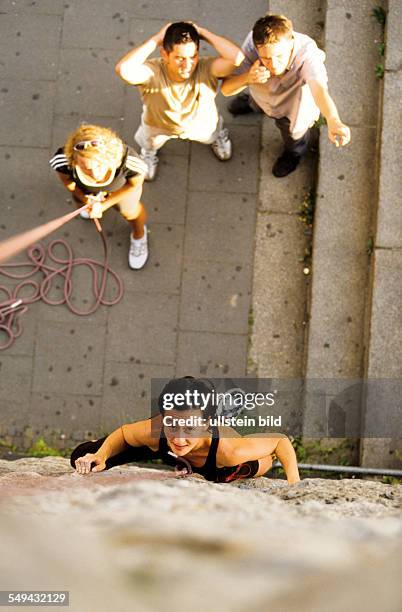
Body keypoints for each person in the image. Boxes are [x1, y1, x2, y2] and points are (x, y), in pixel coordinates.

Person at [71, 377, 300, 485]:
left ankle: (226, 416)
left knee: (254, 466)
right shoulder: (159, 428)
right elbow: (123, 433)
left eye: (190, 427)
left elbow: (279, 442)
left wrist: (294, 484)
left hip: (219, 467)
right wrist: (99, 455)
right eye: (172, 424)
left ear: (206, 424)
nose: (179, 438)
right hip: (166, 450)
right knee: (80, 456)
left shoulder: (229, 451)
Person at [221, 14, 351, 177]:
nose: (274, 64)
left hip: (292, 110)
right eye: (266, 58)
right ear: (256, 48)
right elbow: (226, 89)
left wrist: (333, 120)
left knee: (294, 138)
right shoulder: (251, 45)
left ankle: (293, 156)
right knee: (254, 101)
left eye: (280, 56)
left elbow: (319, 89)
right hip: (261, 97)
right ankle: (252, 105)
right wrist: (246, 78)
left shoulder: (307, 54)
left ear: (291, 43)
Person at [115, 22, 245, 181]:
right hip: (158, 125)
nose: (188, 65)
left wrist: (203, 32)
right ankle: (148, 153)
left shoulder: (206, 68)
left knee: (212, 134)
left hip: (201, 124)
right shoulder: (152, 72)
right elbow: (124, 69)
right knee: (149, 144)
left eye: (193, 56)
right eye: (179, 58)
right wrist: (156, 39)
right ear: (164, 53)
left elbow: (237, 58)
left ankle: (217, 137)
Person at [49, 124, 149, 270]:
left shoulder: (130, 163)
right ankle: (88, 207)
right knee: (79, 203)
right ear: (75, 161)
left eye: (101, 166)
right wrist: (86, 200)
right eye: (86, 169)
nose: (96, 175)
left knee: (130, 212)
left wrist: (104, 204)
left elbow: (133, 185)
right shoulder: (63, 161)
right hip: (85, 191)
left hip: (121, 190)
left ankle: (139, 236)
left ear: (110, 157)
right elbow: (69, 183)